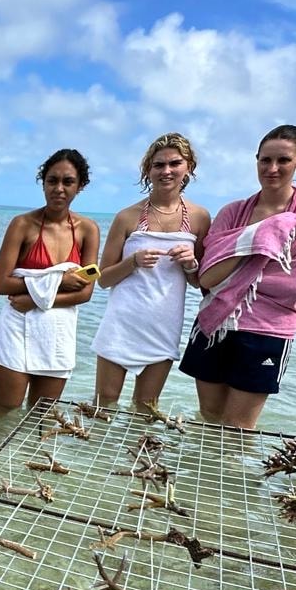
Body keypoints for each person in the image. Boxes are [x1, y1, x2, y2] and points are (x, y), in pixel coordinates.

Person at [180, 124, 296, 428]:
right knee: (209, 418)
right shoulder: (233, 212)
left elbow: (294, 285)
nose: (272, 168)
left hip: (267, 330)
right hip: (215, 323)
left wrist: (236, 257)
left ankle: (233, 476)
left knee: (238, 427)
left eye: (284, 160)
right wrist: (263, 243)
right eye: (265, 160)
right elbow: (208, 276)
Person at [90, 133, 211, 409]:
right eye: (158, 165)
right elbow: (103, 279)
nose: (166, 171)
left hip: (164, 324)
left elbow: (198, 281)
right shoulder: (127, 216)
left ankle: (136, 454)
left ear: (188, 166)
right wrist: (132, 261)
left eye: (174, 163)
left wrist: (191, 263)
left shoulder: (200, 217)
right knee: (103, 404)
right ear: (148, 170)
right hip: (122, 322)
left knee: (146, 407)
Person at [0, 148, 102, 410]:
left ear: (80, 186)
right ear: (43, 183)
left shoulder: (88, 230)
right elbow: (0, 284)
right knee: (3, 415)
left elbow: (85, 293)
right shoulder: (22, 224)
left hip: (57, 336)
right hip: (16, 330)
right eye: (52, 181)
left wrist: (33, 300)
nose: (59, 188)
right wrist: (60, 281)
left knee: (42, 418)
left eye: (68, 182)